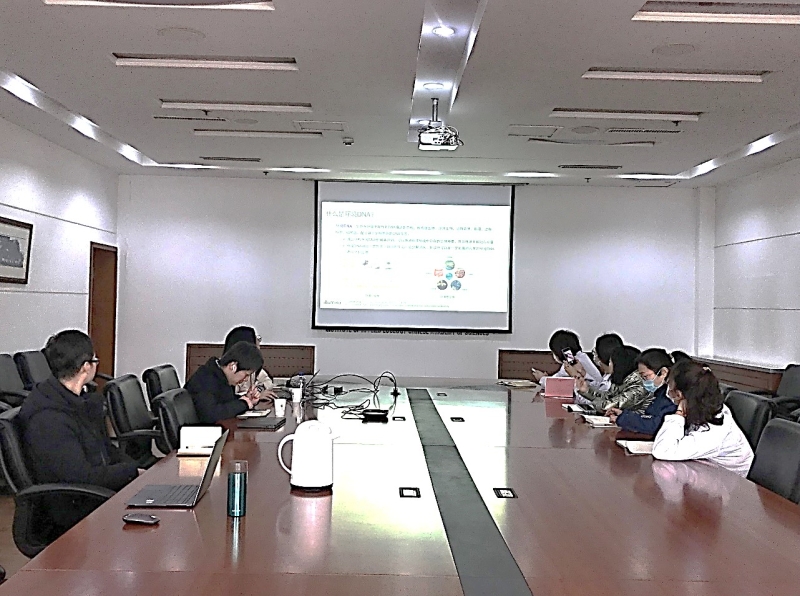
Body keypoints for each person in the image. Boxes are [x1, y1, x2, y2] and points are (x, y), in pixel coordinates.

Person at [19, 330, 139, 532]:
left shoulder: (78, 401)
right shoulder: (49, 418)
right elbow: (81, 477)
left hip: (96, 495)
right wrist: (131, 472)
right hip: (76, 511)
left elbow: (105, 448)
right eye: (95, 360)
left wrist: (136, 470)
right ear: (85, 367)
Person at [652, 359, 753, 477]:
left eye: (669, 385)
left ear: (679, 394)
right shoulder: (705, 407)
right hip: (703, 469)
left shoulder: (714, 432)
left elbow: (662, 450)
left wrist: (679, 413)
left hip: (729, 481)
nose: (667, 390)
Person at [185, 340, 265, 423]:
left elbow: (225, 402)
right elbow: (211, 414)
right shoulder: (205, 379)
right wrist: (244, 404)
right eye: (246, 374)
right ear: (232, 366)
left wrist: (247, 399)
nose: (246, 379)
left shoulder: (220, 376)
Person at [609, 348, 677, 434]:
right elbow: (648, 417)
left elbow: (655, 425)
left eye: (646, 376)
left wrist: (623, 419)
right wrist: (624, 414)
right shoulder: (660, 392)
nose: (644, 381)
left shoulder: (673, 395)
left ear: (663, 372)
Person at [576, 345, 650, 413]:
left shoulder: (638, 387)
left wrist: (592, 401)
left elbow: (607, 406)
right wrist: (586, 390)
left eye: (610, 362)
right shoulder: (626, 380)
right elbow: (608, 396)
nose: (609, 365)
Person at [531, 329, 603, 390]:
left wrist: (542, 378)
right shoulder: (582, 356)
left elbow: (556, 385)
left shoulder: (573, 363)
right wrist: (547, 378)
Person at [223, 326, 277, 400]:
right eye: (256, 340)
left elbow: (267, 381)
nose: (259, 345)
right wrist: (249, 397)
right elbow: (228, 399)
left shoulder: (250, 367)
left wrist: (258, 391)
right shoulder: (228, 370)